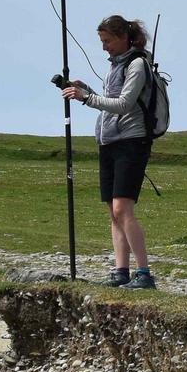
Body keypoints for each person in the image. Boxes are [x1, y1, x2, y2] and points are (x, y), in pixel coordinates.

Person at [62, 15, 159, 289]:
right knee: (113, 212)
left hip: (131, 142)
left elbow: (125, 104)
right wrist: (89, 91)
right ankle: (121, 272)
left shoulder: (137, 64)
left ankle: (144, 274)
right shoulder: (114, 67)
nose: (104, 47)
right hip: (109, 143)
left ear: (123, 37)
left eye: (107, 41)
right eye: (102, 41)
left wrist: (86, 98)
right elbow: (112, 101)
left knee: (122, 209)